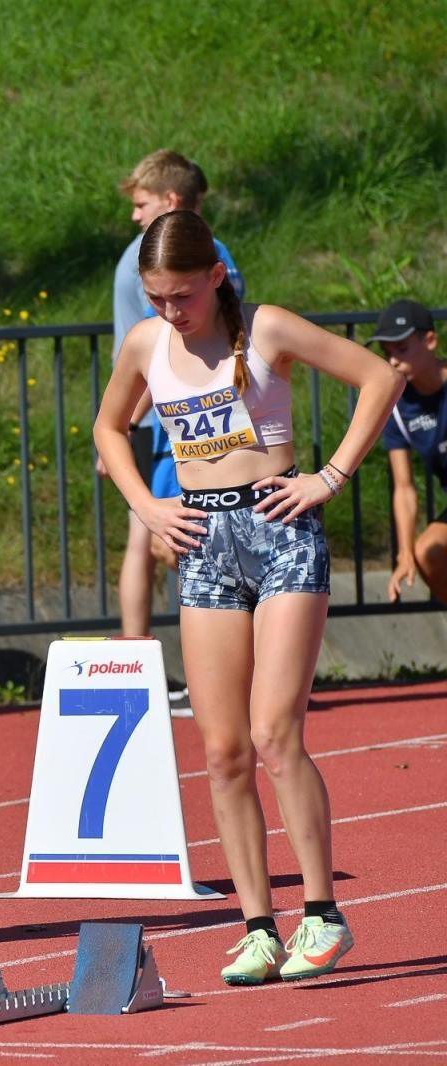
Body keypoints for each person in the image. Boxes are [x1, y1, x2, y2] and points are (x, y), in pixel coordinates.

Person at [94, 210, 402, 987]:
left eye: (182, 296)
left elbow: (378, 376)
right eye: (158, 297)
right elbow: (106, 427)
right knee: (223, 749)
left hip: (279, 528)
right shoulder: (145, 345)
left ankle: (324, 915)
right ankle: (259, 927)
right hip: (204, 544)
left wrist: (328, 475)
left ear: (216, 276)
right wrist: (146, 504)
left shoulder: (267, 330)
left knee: (273, 735)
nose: (170, 311)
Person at [107, 150, 244, 716]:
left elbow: (226, 339)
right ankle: (152, 670)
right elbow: (148, 354)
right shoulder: (145, 263)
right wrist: (119, 431)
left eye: (141, 204)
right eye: (157, 297)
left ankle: (184, 671)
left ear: (170, 201)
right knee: (158, 538)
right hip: (155, 413)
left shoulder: (199, 257)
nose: (135, 216)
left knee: (164, 541)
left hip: (182, 417)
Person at [371, 300, 447, 603]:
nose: (393, 362)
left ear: (430, 340)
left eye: (401, 349)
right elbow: (404, 488)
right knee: (429, 552)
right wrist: (404, 554)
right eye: (387, 354)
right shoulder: (399, 410)